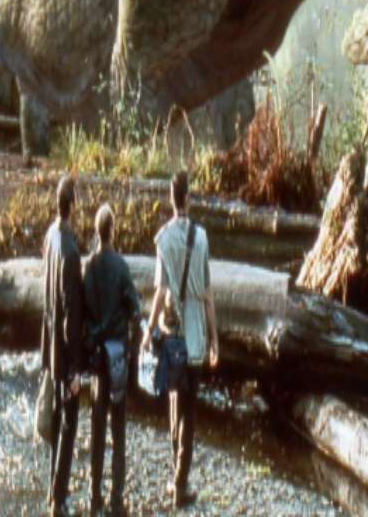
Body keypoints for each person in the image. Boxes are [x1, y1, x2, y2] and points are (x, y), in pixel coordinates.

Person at [145, 170, 219, 509]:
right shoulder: (201, 239)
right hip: (196, 335)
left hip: (172, 333)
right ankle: (180, 482)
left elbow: (160, 291)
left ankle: (176, 473)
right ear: (188, 197)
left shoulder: (162, 239)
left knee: (175, 400)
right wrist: (215, 339)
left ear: (171, 199)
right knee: (190, 407)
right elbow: (208, 295)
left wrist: (149, 329)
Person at [84, 204, 140, 517]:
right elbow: (134, 307)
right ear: (113, 231)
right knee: (118, 429)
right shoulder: (121, 266)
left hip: (96, 358)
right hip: (117, 355)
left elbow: (83, 309)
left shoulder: (89, 266)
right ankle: (116, 499)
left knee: (97, 428)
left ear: (97, 231)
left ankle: (95, 497)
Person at [41, 177, 84, 517]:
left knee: (57, 419)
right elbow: (72, 315)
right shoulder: (70, 251)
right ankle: (59, 499)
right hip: (64, 352)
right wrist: (76, 369)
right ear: (72, 205)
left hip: (49, 344)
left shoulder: (50, 236)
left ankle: (52, 489)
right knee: (69, 423)